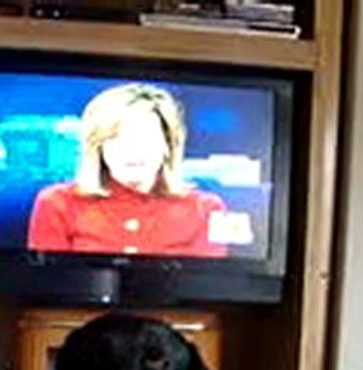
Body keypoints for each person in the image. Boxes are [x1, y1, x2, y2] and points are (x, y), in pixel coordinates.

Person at [27, 83, 229, 258]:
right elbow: (48, 290)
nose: (132, 150)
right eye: (117, 139)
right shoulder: (56, 203)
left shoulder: (206, 209)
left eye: (144, 138)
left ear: (168, 145)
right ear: (98, 148)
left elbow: (205, 294)